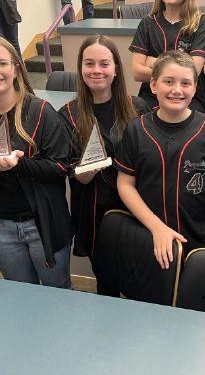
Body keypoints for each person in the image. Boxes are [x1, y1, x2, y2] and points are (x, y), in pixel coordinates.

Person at [0, 36, 72, 288]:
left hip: (44, 224)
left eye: (2, 63)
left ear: (16, 68)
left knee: (59, 294)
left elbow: (60, 168)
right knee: (20, 296)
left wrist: (19, 164)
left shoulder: (41, 112)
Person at [116, 51, 205, 269]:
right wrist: (156, 227)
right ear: (153, 85)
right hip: (149, 239)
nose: (177, 90)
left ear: (195, 88)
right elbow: (125, 184)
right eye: (168, 81)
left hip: (199, 243)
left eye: (185, 83)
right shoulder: (136, 130)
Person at [59, 35, 149, 295]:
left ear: (116, 69)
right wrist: (85, 172)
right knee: (106, 281)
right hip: (93, 212)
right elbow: (72, 173)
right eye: (89, 63)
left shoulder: (137, 107)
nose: (96, 70)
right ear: (80, 68)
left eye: (104, 64)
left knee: (139, 280)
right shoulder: (67, 114)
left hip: (137, 209)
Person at [130, 0, 205, 114]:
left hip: (188, 98)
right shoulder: (147, 23)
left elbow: (193, 70)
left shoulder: (201, 22)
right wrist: (178, 68)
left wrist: (152, 61)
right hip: (151, 97)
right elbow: (137, 72)